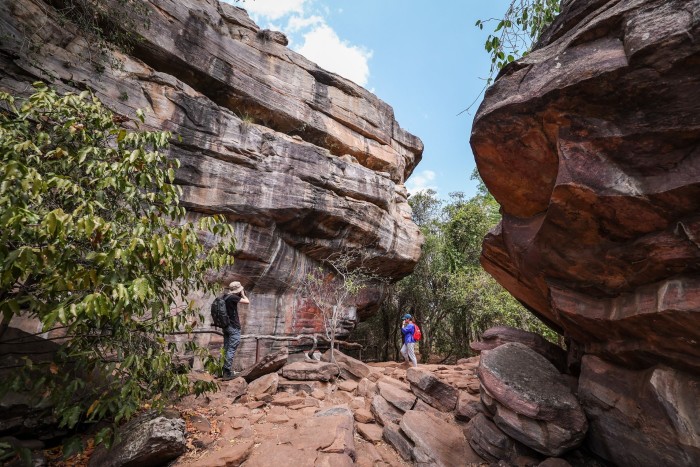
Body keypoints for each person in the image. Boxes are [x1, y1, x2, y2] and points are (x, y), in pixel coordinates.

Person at [222, 281, 249, 381]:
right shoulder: (233, 297)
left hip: (226, 326)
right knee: (231, 349)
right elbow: (247, 301)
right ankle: (226, 372)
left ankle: (222, 370)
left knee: (225, 348)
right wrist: (242, 294)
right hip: (233, 327)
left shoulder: (225, 297)